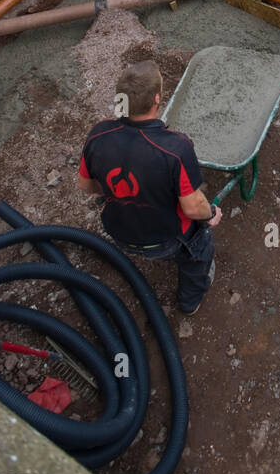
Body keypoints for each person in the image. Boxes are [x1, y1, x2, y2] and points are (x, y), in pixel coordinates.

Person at [77, 61, 222, 315]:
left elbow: (85, 185)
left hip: (118, 231)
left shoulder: (98, 135)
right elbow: (192, 207)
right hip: (166, 240)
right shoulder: (176, 148)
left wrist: (118, 192)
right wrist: (211, 213)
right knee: (201, 247)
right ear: (157, 99)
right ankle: (190, 300)